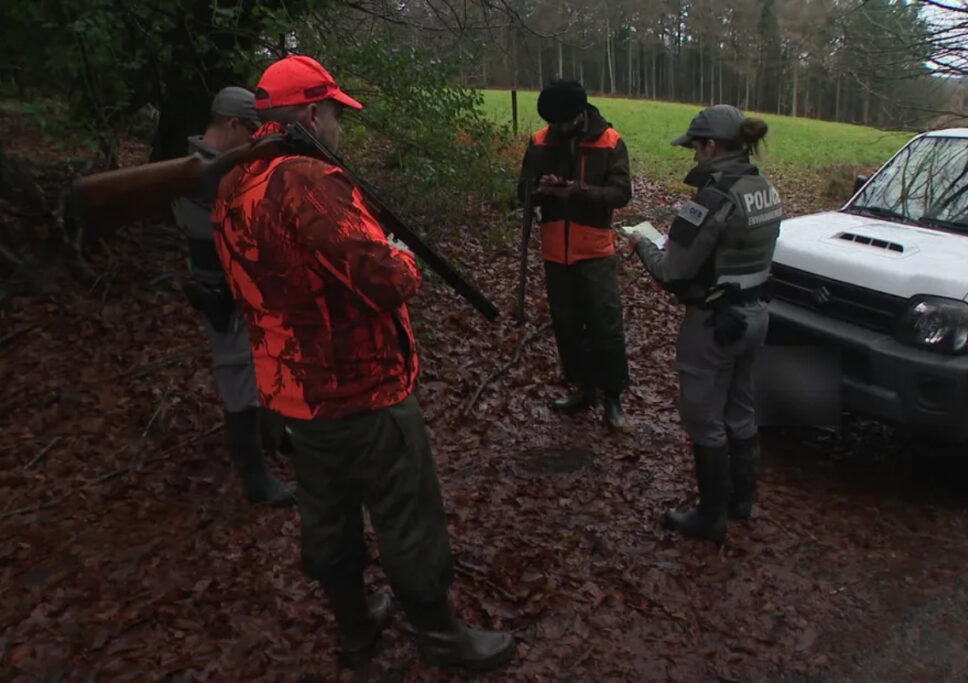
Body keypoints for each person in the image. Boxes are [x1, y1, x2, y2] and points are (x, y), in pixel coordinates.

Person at [209, 55, 515, 671]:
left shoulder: (233, 183)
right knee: (407, 513)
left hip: (291, 394)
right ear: (314, 113)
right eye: (337, 115)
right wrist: (401, 257)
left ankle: (355, 627)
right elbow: (382, 278)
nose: (341, 129)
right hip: (361, 388)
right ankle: (443, 638)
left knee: (326, 513)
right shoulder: (306, 181)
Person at [628, 104, 781, 543]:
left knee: (704, 418)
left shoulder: (712, 200)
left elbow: (673, 271)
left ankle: (711, 517)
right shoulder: (764, 187)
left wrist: (642, 244)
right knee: (741, 409)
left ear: (711, 147)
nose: (694, 158)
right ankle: (741, 503)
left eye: (696, 149)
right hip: (756, 316)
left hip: (715, 323)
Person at [170, 87, 295, 507]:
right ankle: (257, 483)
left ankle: (274, 440)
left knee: (258, 369)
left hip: (236, 285)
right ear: (234, 125)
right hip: (222, 291)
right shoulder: (197, 170)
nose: (253, 141)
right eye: (251, 133)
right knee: (239, 379)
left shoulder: (200, 166)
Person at [518, 79, 633, 432]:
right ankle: (584, 390)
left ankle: (613, 398)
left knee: (606, 326)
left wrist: (578, 192)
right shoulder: (540, 141)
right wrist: (540, 190)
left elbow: (621, 193)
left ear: (581, 114)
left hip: (595, 250)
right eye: (554, 123)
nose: (559, 128)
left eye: (565, 122)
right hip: (555, 252)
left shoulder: (610, 141)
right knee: (568, 327)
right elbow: (521, 191)